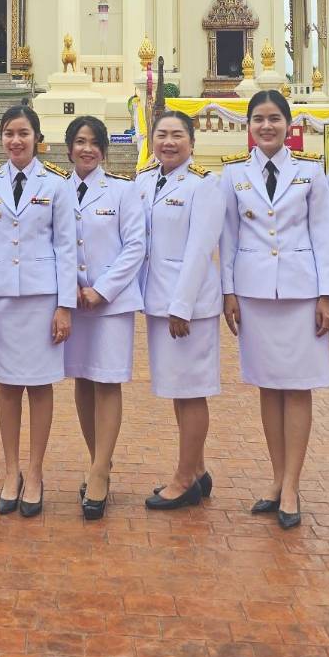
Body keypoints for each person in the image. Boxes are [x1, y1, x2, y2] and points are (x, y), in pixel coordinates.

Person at [220, 90, 329, 529]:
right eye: (258, 119)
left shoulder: (310, 173)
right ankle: (275, 478)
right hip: (253, 293)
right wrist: (228, 292)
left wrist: (328, 294)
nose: (266, 126)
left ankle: (293, 483)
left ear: (289, 126)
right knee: (268, 386)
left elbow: (324, 234)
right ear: (248, 126)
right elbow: (228, 238)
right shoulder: (232, 174)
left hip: (301, 292)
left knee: (298, 386)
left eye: (274, 119)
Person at [0, 105, 76, 518]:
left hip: (42, 299)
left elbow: (66, 247)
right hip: (2, 300)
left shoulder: (56, 184)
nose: (16, 140)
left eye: (23, 133)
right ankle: (11, 470)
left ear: (37, 138)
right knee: (8, 384)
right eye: (9, 133)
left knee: (41, 385)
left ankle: (35, 472)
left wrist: (64, 306)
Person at [137, 111, 224, 512]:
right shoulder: (144, 181)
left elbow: (199, 250)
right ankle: (199, 468)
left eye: (176, 136)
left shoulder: (204, 185)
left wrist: (182, 306)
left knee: (191, 392)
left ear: (192, 142)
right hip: (158, 301)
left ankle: (184, 478)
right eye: (161, 135)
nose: (168, 142)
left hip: (187, 307)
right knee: (178, 389)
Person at [63, 116, 145, 520]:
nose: (87, 149)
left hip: (111, 302)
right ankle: (100, 462)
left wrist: (101, 289)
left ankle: (98, 472)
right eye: (80, 142)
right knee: (82, 378)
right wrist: (71, 290)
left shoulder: (123, 191)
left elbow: (135, 247)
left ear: (104, 149)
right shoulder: (57, 190)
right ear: (68, 148)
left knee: (107, 380)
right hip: (74, 303)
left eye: (94, 143)